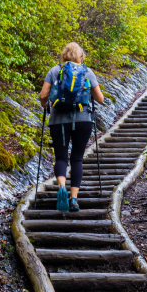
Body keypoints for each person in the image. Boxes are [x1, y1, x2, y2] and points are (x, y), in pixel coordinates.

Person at [39, 43, 104, 212]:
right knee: (77, 158)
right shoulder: (87, 72)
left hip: (59, 120)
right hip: (83, 120)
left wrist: (45, 105)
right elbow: (100, 99)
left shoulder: (54, 71)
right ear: (80, 57)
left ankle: (61, 187)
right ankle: (74, 198)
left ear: (64, 55)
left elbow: (43, 95)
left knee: (61, 157)